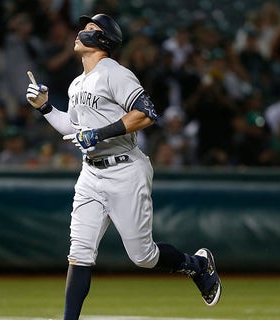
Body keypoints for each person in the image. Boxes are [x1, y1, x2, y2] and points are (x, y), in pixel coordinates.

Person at [25, 14, 222, 320]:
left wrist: (98, 134)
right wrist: (46, 108)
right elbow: (73, 127)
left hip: (125, 170)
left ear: (104, 41)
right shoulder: (78, 82)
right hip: (90, 173)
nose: (81, 32)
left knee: (143, 256)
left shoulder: (114, 73)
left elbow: (146, 113)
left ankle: (196, 265)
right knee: (79, 252)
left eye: (90, 29)